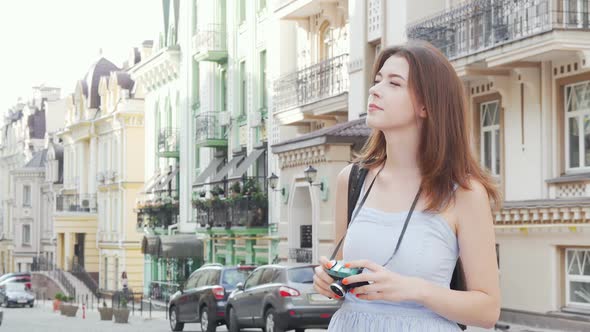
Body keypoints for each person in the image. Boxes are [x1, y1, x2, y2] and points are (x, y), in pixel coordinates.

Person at [313, 41, 502, 331]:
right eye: (377, 81)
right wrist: (327, 280)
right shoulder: (351, 181)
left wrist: (414, 289)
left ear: (426, 105)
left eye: (394, 83)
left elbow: (488, 310)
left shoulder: (464, 193)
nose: (375, 90)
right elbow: (345, 273)